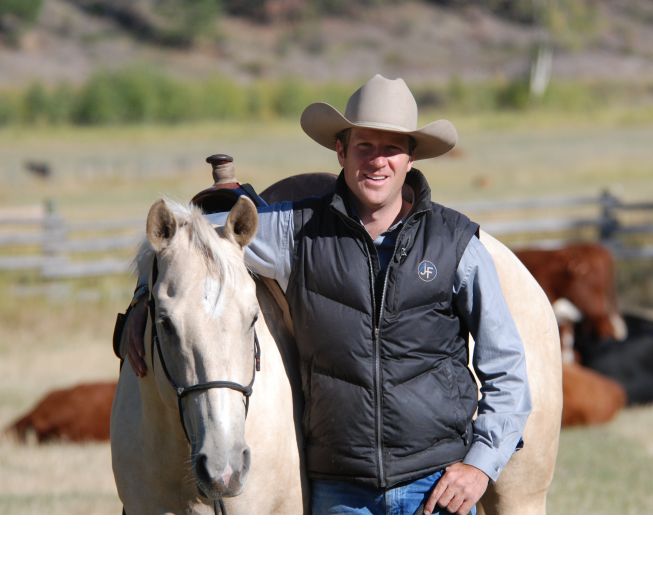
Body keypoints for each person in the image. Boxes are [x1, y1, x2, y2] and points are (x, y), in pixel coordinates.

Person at [125, 74, 531, 515]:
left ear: (411, 157)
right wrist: (144, 296)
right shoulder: (297, 233)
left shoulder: (457, 245)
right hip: (342, 494)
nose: (377, 162)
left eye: (391, 148)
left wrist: (481, 466)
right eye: (364, 146)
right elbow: (190, 241)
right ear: (341, 151)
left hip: (435, 487)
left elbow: (506, 368)